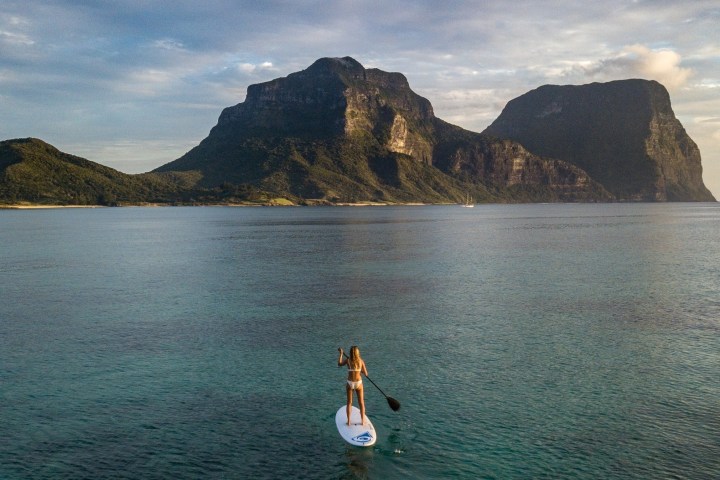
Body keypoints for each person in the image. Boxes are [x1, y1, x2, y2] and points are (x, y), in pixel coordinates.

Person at [337, 345, 369, 426]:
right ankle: (363, 421)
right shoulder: (361, 361)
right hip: (358, 383)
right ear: (358, 353)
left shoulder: (348, 360)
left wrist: (341, 354)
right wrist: (360, 370)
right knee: (361, 402)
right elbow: (366, 374)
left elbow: (339, 364)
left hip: (350, 383)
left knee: (349, 402)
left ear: (351, 353)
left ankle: (348, 421)